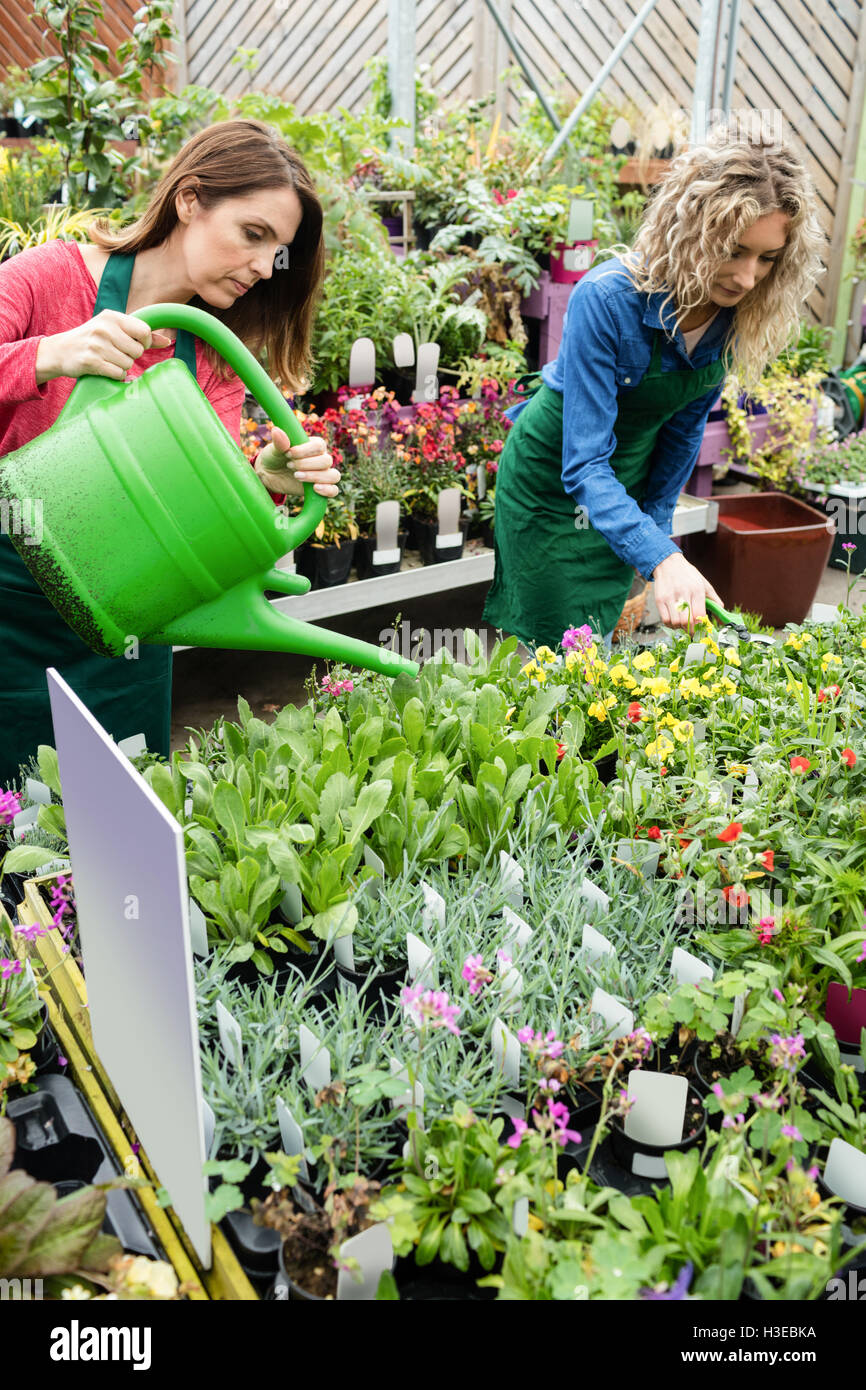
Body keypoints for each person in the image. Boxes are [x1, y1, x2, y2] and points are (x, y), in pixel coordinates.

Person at [0, 119, 341, 787]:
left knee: (116, 815)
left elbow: (185, 510)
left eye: (278, 252)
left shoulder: (211, 354)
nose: (262, 266)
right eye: (253, 234)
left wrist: (266, 480)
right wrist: (48, 354)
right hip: (11, 612)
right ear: (189, 200)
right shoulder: (48, 280)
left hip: (130, 622)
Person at [483, 126, 825, 652]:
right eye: (734, 250)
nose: (747, 277)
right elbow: (584, 463)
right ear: (692, 230)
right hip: (554, 480)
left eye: (767, 258)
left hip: (630, 484)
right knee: (550, 647)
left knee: (599, 641)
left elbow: (683, 435)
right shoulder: (607, 300)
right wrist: (662, 555)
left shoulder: (737, 317)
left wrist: (656, 542)